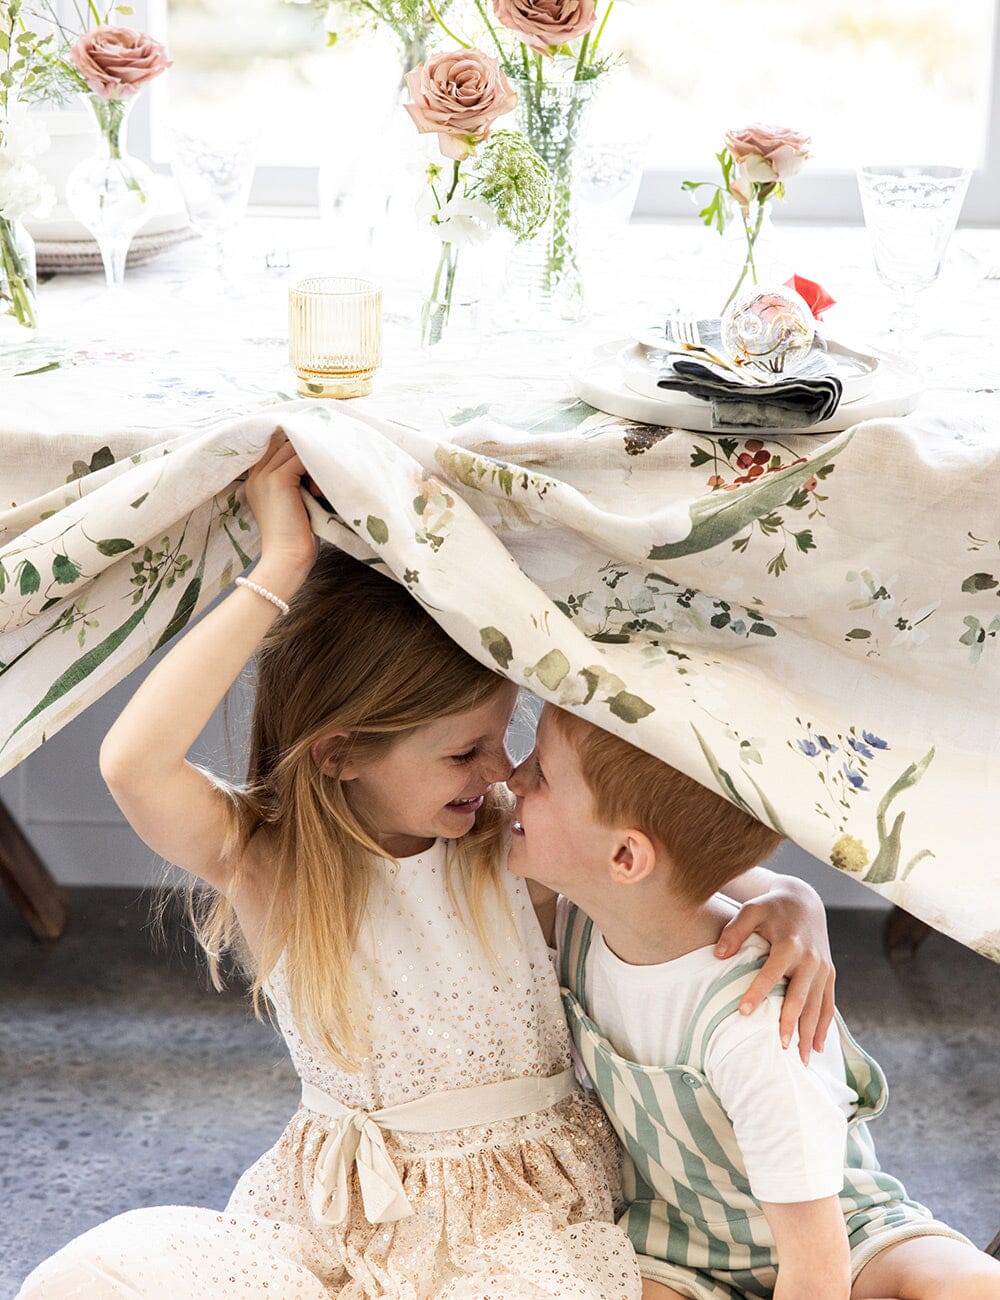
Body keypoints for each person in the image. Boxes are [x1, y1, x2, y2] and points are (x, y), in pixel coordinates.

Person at [19, 436, 835, 1300]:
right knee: (99, 1277)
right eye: (464, 752)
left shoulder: (510, 842)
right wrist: (282, 564)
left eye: (504, 738)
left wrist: (789, 895)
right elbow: (132, 763)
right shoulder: (269, 862)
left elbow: (670, 849)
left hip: (524, 1229)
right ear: (340, 755)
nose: (499, 772)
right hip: (337, 1221)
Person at [506, 702, 1000, 1300]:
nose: (513, 778)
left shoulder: (751, 1023)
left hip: (843, 1235)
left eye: (541, 772)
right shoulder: (580, 927)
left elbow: (819, 1265)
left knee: (964, 1286)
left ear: (626, 858)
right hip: (682, 1241)